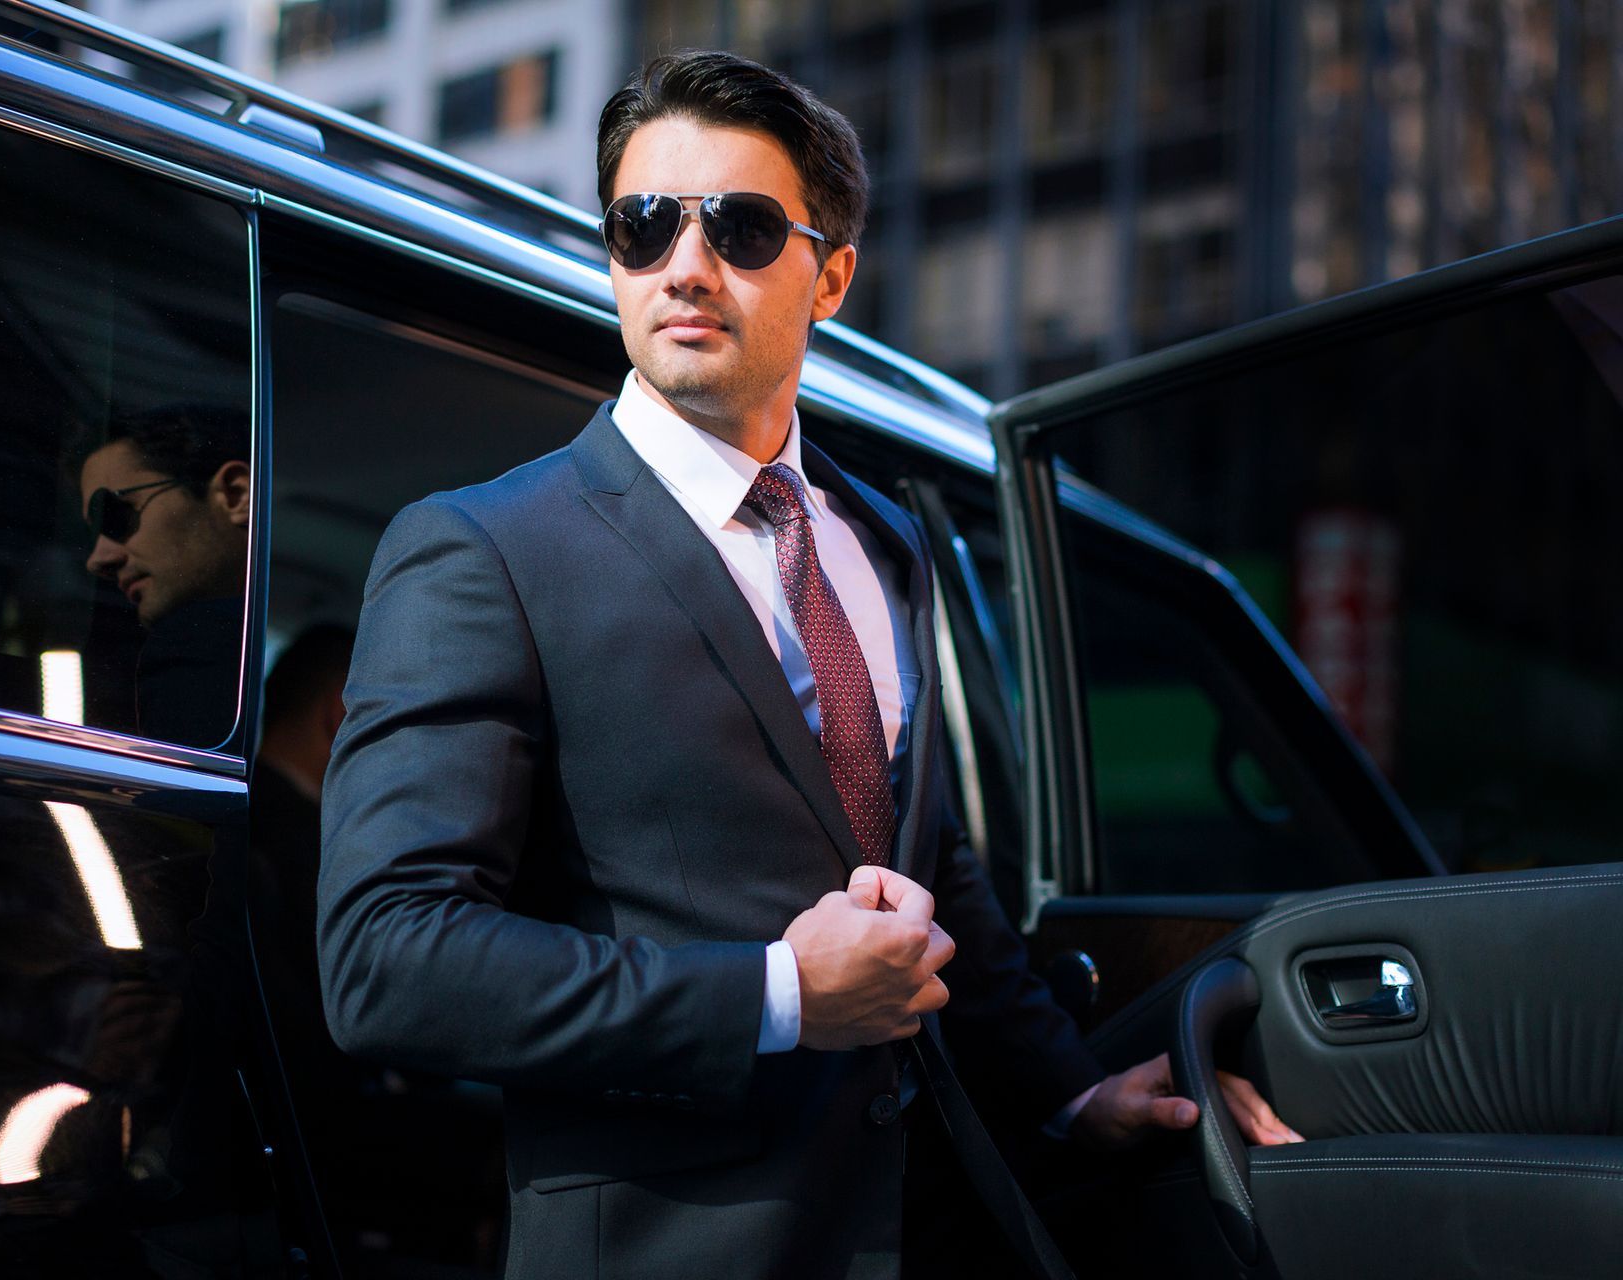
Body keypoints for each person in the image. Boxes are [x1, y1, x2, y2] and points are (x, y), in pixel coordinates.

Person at [319, 51, 1296, 1279]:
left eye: (736, 224)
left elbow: (926, 878)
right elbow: (386, 959)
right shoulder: (483, 548)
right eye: (642, 224)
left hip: (935, 1228)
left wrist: (1071, 1090)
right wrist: (777, 992)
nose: (684, 263)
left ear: (831, 272)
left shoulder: (886, 539)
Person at [78, 404, 250, 746]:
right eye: (93, 534)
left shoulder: (193, 643)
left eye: (114, 515)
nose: (97, 560)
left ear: (235, 495)